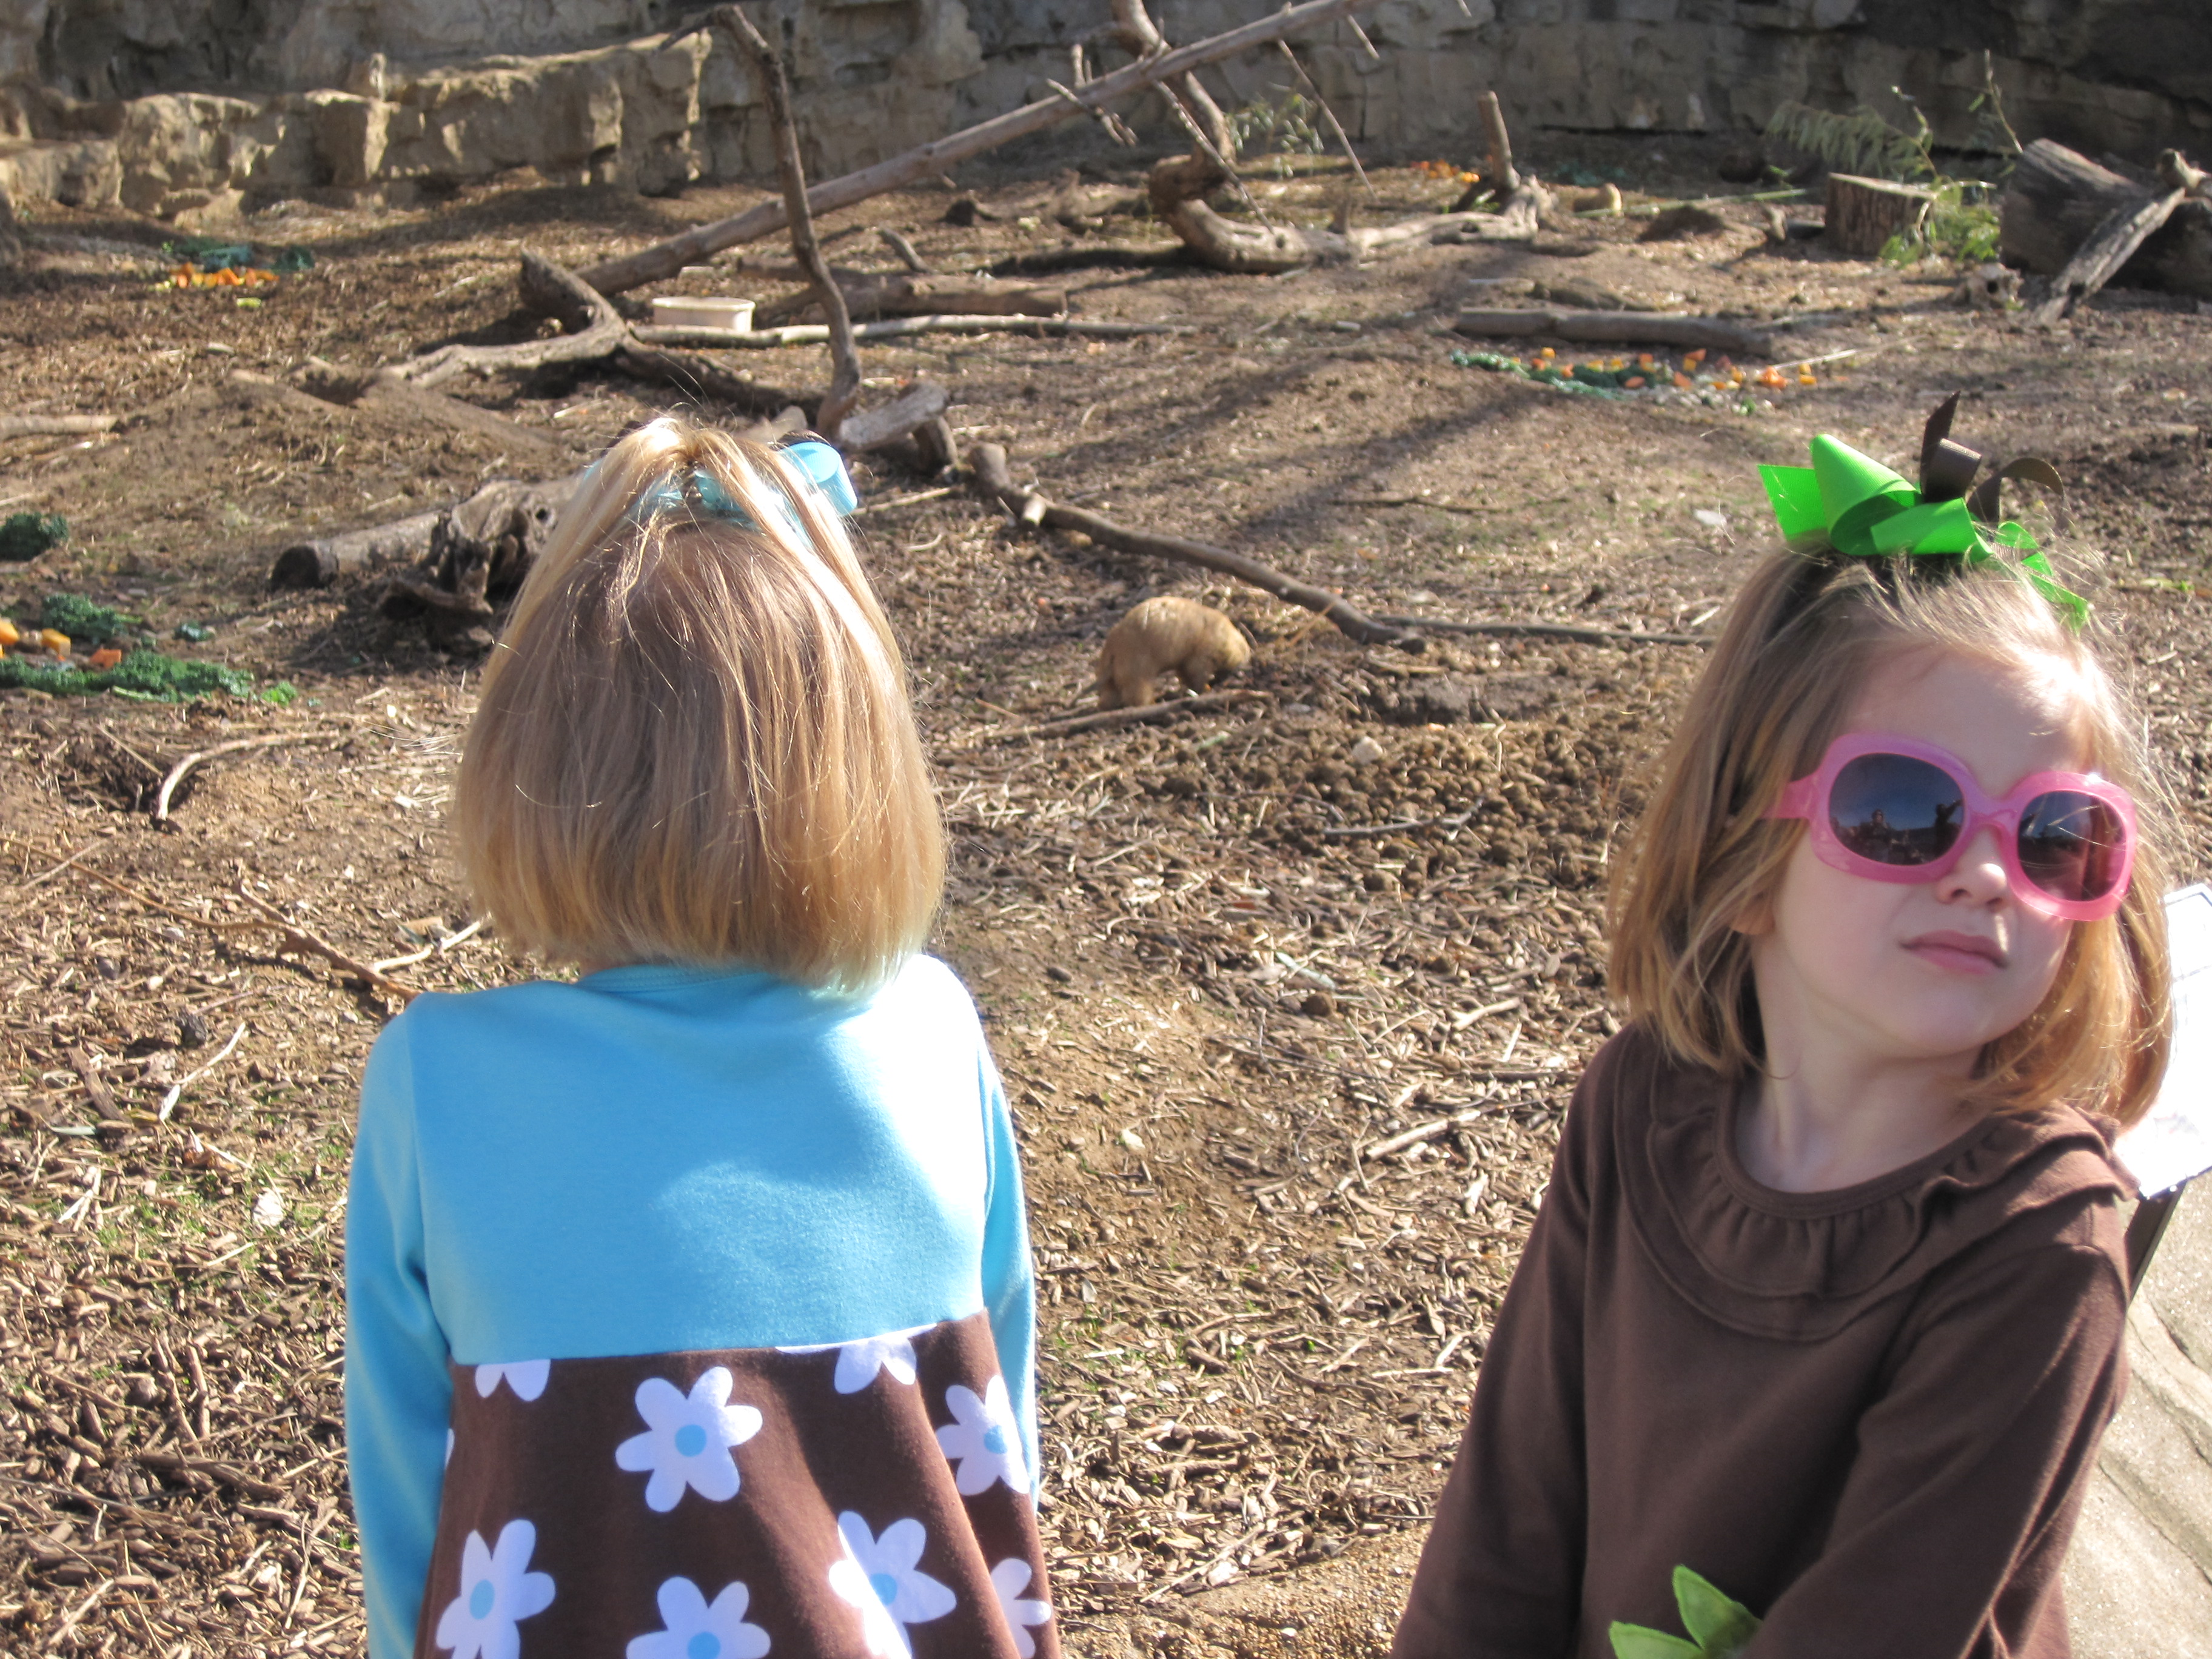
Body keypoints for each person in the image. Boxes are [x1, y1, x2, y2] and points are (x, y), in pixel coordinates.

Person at [1394, 406, 2173, 1659]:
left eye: (2053, 836)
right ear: (1743, 859)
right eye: (1906, 810)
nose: (1989, 875)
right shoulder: (1639, 1106)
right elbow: (1505, 1529)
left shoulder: (2039, 1250)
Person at [346, 418, 1057, 1659]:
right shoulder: (934, 1037)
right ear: (860, 769)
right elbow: (998, 1453)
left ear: (530, 766)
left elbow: (406, 1501)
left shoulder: (439, 1082)